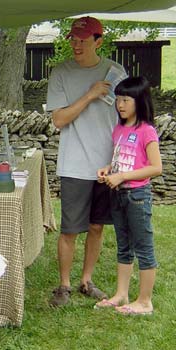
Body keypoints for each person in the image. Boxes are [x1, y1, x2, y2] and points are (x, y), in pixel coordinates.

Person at [46, 16, 127, 306]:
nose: (77, 45)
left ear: (98, 41)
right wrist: (90, 95)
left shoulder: (116, 72)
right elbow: (58, 119)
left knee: (97, 227)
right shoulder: (61, 73)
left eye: (83, 40)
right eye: (74, 39)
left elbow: (127, 116)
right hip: (74, 163)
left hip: (108, 165)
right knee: (69, 229)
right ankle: (64, 285)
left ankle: (86, 281)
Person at [95, 77, 162, 315]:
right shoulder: (119, 129)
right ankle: (121, 294)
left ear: (139, 101)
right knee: (123, 247)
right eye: (118, 99)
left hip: (137, 196)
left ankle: (144, 301)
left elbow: (156, 167)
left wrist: (123, 177)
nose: (120, 105)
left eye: (126, 100)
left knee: (143, 247)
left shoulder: (146, 131)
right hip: (118, 194)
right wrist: (109, 170)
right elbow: (120, 160)